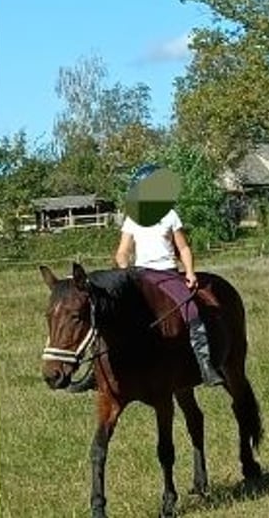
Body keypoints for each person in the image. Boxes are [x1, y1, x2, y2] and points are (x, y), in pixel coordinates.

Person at [67, 164, 223, 393]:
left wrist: (189, 272)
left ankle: (206, 364)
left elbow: (184, 248)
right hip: (139, 274)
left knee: (191, 311)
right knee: (109, 313)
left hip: (167, 273)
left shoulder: (170, 215)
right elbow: (122, 251)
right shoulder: (132, 218)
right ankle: (94, 373)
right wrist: (124, 268)